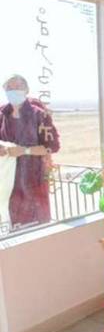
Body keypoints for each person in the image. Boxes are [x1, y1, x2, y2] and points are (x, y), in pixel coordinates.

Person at [0, 74, 60, 230]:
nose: (13, 91)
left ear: (26, 90)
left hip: (34, 180)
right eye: (9, 88)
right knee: (14, 226)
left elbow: (52, 146)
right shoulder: (1, 114)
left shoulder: (39, 115)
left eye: (17, 87)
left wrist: (24, 150)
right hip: (9, 180)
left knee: (38, 226)